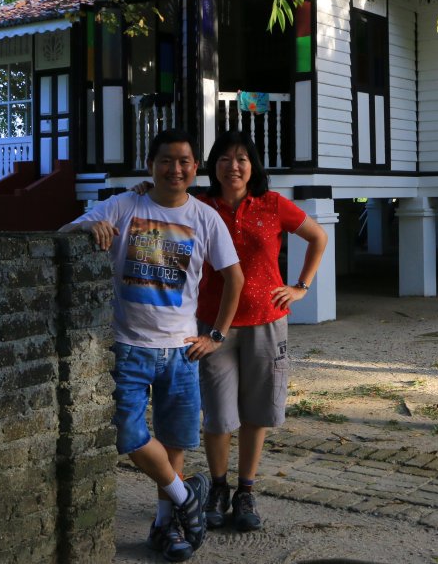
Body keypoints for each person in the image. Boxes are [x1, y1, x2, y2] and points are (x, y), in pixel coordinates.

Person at [60, 128, 244, 562]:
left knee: (174, 440)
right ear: (151, 165)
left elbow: (234, 277)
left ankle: (165, 526)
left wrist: (215, 334)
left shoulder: (204, 217)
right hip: (128, 346)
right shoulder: (125, 205)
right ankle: (186, 497)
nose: (175, 169)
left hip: (182, 349)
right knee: (128, 433)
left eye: (183, 161)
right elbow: (65, 231)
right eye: (166, 160)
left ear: (194, 168)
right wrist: (93, 223)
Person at [132, 131, 328, 533]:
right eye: (224, 158)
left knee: (257, 412)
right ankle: (218, 488)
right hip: (210, 326)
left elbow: (317, 236)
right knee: (218, 416)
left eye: (241, 158)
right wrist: (144, 189)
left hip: (267, 322)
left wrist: (300, 287)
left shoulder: (272, 205)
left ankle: (246, 490)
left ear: (253, 166)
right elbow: (162, 208)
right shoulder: (200, 206)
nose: (233, 166)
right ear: (212, 167)